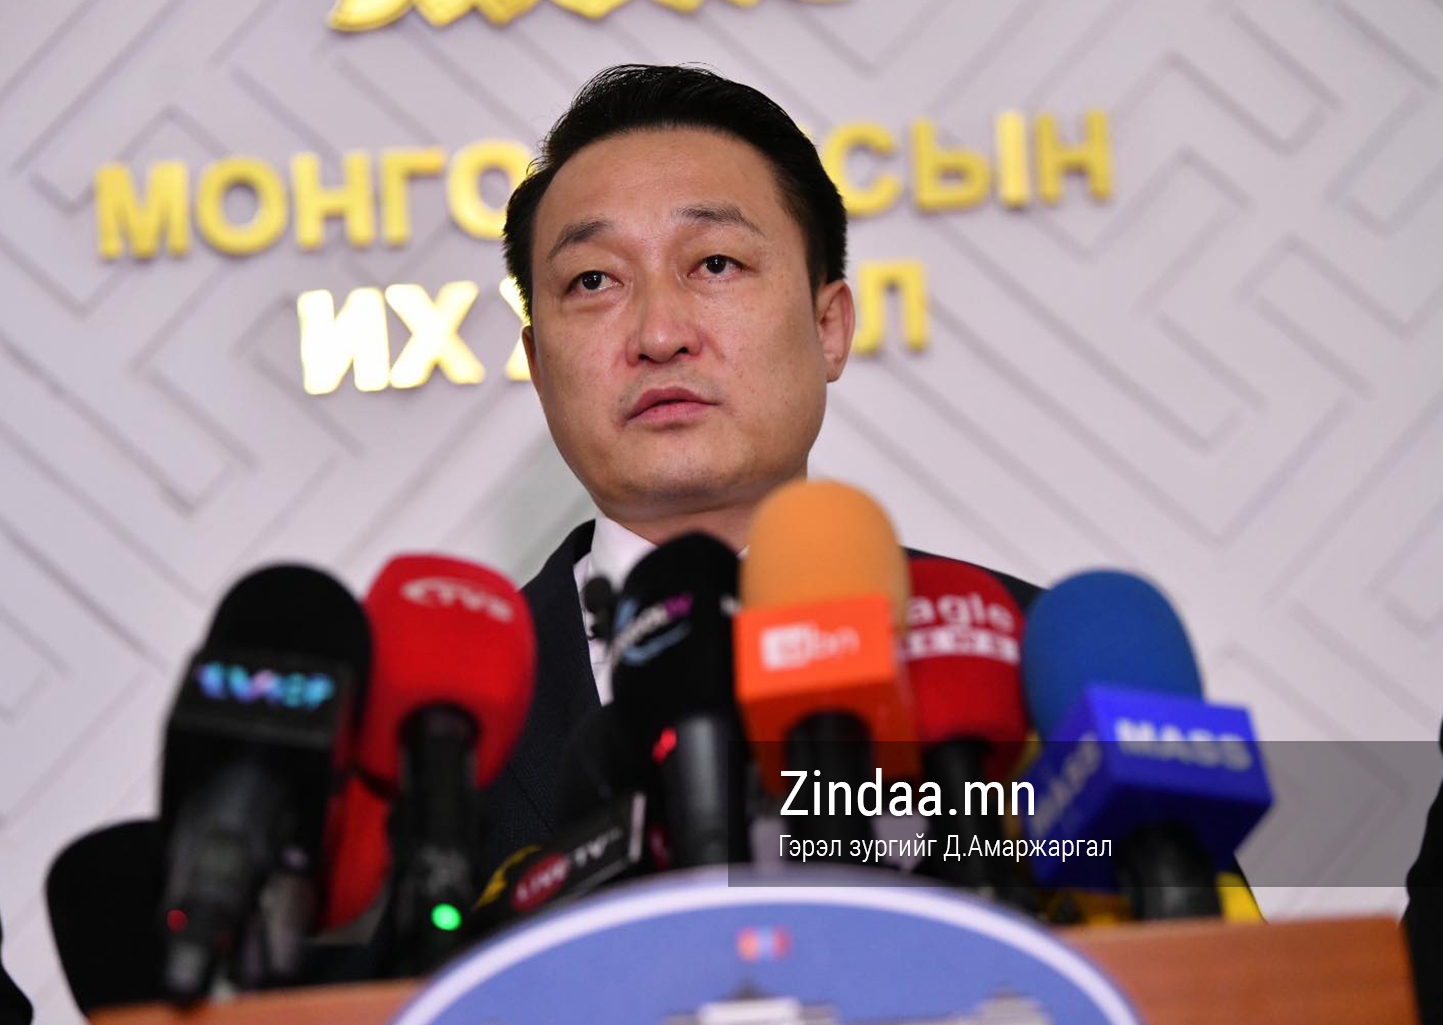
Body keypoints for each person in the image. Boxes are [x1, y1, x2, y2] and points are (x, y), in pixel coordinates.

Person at [476, 64, 1039, 875]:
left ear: (828, 325)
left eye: (714, 263)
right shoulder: (421, 728)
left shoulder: (1027, 662)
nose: (659, 334)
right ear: (536, 364)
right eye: (593, 280)